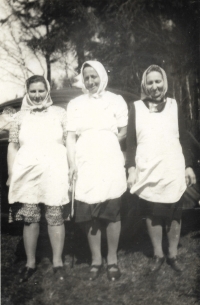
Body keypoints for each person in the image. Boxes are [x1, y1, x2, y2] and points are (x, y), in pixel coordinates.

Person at [126, 65, 196, 273]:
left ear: (164, 83)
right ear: (144, 85)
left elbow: (183, 138)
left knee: (174, 214)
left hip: (172, 167)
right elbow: (131, 142)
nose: (154, 86)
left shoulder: (174, 105)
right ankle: (158, 254)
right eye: (150, 82)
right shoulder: (136, 107)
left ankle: (173, 255)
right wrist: (131, 168)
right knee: (152, 214)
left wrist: (188, 166)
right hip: (147, 168)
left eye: (158, 82)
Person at [67, 60, 128, 281]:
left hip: (109, 159)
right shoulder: (75, 103)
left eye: (94, 76)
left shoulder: (116, 100)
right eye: (87, 78)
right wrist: (72, 163)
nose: (91, 81)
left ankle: (112, 259)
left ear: (102, 76)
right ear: (82, 81)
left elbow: (123, 131)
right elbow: (71, 136)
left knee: (111, 209)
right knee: (88, 210)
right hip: (85, 160)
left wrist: (106, 141)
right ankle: (96, 259)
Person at [7, 75, 69, 282]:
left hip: (54, 173)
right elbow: (12, 146)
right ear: (27, 92)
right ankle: (30, 263)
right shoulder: (19, 117)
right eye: (32, 91)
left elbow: (70, 143)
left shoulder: (60, 114)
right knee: (30, 218)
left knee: (54, 216)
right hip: (28, 175)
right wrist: (11, 173)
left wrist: (71, 168)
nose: (37, 95)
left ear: (47, 90)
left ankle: (58, 262)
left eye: (41, 90)